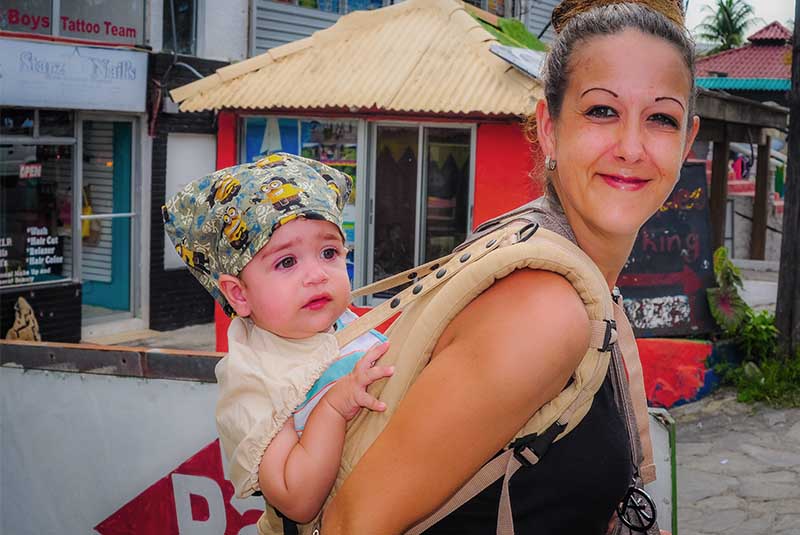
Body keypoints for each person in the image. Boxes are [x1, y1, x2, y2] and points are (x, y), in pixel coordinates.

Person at [319, 1, 698, 533]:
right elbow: (349, 526)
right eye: (601, 111)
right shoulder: (543, 311)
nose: (632, 147)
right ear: (549, 127)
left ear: (689, 140)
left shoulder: (573, 270)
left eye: (661, 118)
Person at [161, 153, 394, 524]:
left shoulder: (353, 327)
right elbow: (296, 499)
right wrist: (332, 408)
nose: (317, 274)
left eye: (329, 252)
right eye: (287, 262)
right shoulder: (253, 378)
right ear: (239, 294)